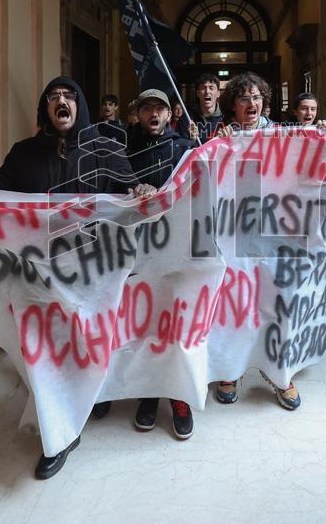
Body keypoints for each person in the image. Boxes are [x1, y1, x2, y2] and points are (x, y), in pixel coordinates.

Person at [0, 76, 149, 479]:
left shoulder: (106, 151)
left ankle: (92, 395)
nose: (62, 100)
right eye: (54, 96)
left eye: (70, 95)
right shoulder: (23, 154)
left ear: (81, 107)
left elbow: (130, 192)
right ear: (45, 109)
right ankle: (58, 434)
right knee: (48, 353)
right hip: (37, 274)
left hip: (91, 271)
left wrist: (142, 189)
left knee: (88, 343)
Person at [213, 72, 301, 410]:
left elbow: (309, 160)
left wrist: (321, 133)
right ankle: (229, 369)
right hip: (232, 234)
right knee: (234, 303)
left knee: (276, 301)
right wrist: (215, 146)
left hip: (274, 233)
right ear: (233, 104)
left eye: (257, 97)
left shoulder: (282, 135)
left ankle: (279, 372)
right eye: (244, 98)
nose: (252, 103)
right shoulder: (221, 138)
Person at [126, 89, 201, 439]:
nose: (153, 114)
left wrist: (202, 153)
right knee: (144, 323)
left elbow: (202, 190)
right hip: (139, 252)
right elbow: (113, 185)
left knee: (177, 323)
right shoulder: (124, 150)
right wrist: (131, 189)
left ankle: (178, 396)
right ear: (137, 115)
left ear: (170, 115)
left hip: (178, 248)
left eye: (159, 108)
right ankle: (149, 391)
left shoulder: (185, 149)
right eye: (146, 109)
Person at [186, 73, 224, 140]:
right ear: (197, 93)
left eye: (211, 88)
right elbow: (179, 148)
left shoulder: (227, 118)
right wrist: (191, 140)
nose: (207, 92)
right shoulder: (187, 119)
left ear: (218, 93)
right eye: (203, 88)